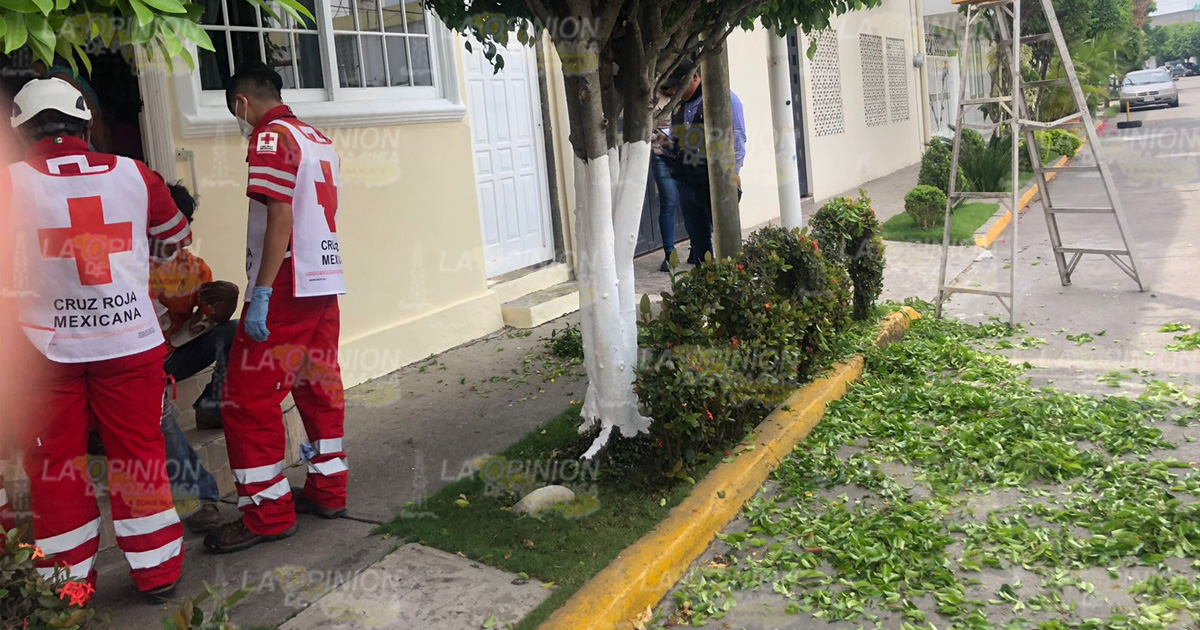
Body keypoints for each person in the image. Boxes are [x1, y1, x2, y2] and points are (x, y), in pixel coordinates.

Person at [4, 77, 190, 598]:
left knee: (56, 469)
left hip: (42, 351)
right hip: (130, 341)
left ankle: (65, 592)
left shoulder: (9, 182)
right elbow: (175, 237)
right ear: (86, 122)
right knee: (140, 455)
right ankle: (158, 574)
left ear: (21, 131)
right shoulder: (135, 173)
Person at [204, 61, 348, 554]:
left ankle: (267, 514)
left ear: (242, 102)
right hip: (323, 279)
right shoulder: (315, 137)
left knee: (246, 399)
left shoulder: (269, 137)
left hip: (286, 284)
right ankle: (329, 489)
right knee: (318, 388)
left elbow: (280, 212)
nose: (238, 122)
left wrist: (260, 293)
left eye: (234, 112)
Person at [153, 182, 240, 534]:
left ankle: (211, 405)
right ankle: (199, 496)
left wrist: (220, 310)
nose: (176, 232)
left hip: (171, 355)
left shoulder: (192, 268)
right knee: (160, 412)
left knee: (236, 331)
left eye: (182, 223)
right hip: (133, 366)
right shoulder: (122, 262)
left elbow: (199, 325)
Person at [660, 57, 747, 264]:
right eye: (670, 89)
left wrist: (732, 173)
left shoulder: (724, 99)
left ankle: (732, 285)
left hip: (716, 184)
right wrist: (662, 145)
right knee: (699, 244)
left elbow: (737, 138)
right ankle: (705, 287)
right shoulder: (679, 107)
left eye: (676, 87)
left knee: (726, 240)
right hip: (688, 184)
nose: (673, 92)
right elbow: (675, 139)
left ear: (695, 77)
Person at [651, 109, 679, 272]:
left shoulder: (686, 92)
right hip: (660, 154)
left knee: (691, 199)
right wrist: (670, 142)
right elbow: (645, 129)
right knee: (668, 202)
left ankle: (697, 248)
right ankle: (669, 253)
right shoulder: (653, 92)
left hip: (686, 152)